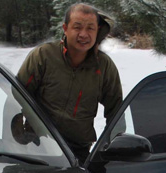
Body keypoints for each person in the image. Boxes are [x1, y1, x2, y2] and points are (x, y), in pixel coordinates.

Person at [17, 4, 123, 162]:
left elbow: (116, 113)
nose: (83, 34)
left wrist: (111, 153)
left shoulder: (104, 66)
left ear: (97, 31)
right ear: (65, 28)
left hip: (77, 154)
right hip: (37, 147)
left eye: (90, 28)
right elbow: (16, 97)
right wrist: (16, 140)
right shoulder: (43, 56)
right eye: (77, 27)